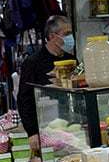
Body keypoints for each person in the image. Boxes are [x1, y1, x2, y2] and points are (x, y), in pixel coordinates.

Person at [16, 15, 74, 148]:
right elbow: (24, 99)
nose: (70, 38)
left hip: (70, 127)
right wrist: (32, 132)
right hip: (45, 129)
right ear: (52, 36)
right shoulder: (32, 63)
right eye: (66, 34)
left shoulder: (72, 60)